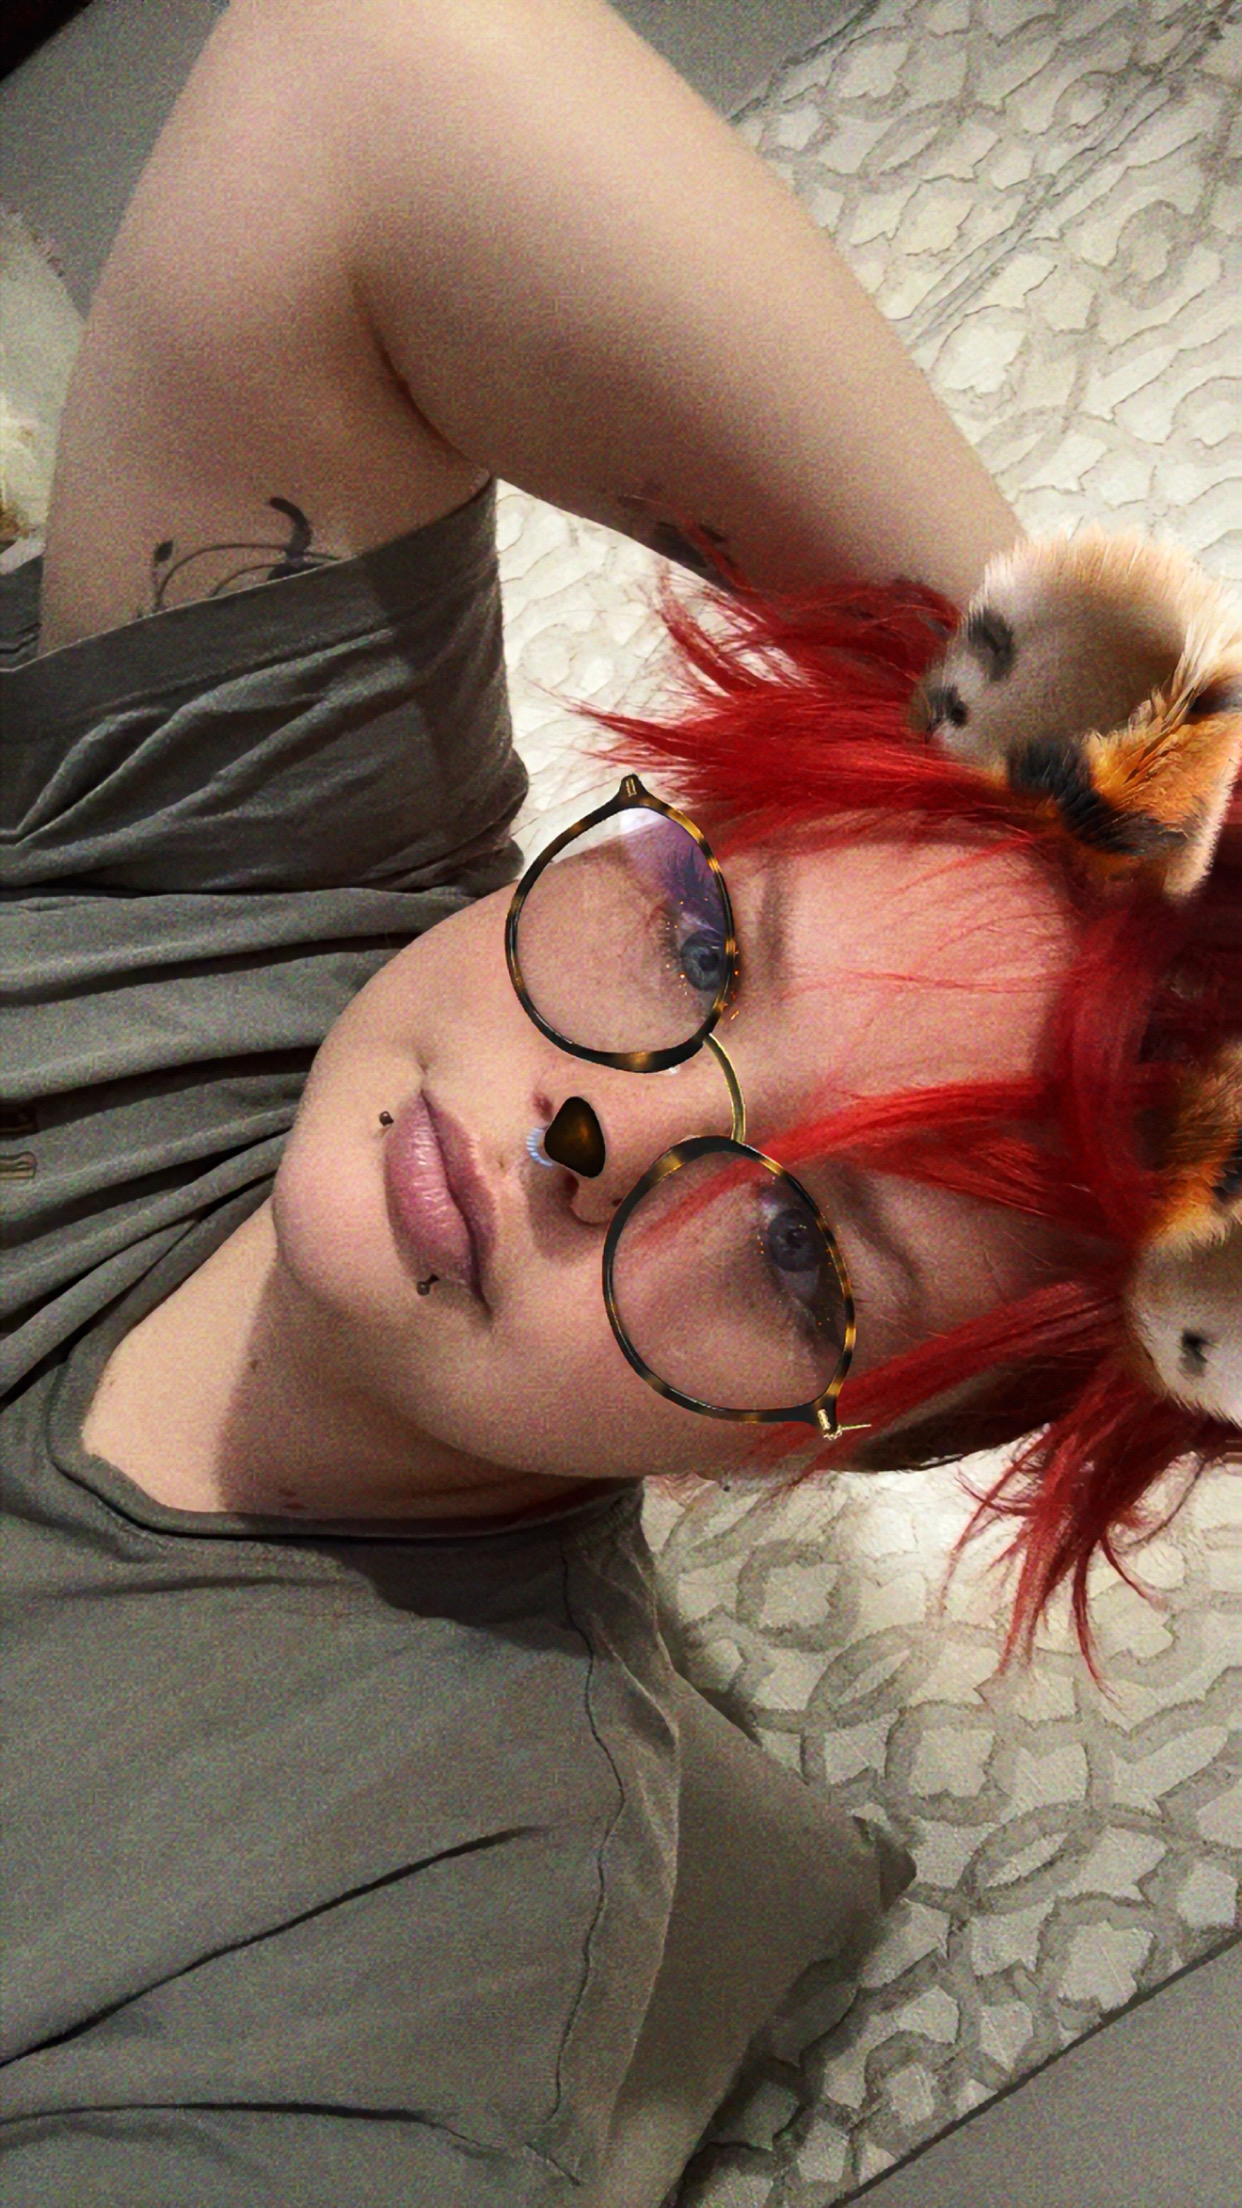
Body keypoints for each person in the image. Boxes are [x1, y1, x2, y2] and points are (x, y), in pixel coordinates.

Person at [2, 0, 1238, 2200]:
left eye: (794, 1252)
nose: (593, 1132)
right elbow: (386, 72)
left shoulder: (426, 1920)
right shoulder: (253, 896)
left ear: (823, 1444)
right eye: (692, 941)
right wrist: (1118, 756)